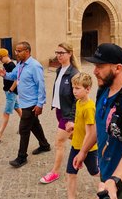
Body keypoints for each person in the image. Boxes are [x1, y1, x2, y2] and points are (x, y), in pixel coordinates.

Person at [74, 43, 122, 199]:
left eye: (100, 66)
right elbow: (98, 127)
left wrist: (114, 181)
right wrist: (83, 151)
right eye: (95, 65)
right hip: (106, 167)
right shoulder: (103, 90)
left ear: (118, 68)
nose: (94, 71)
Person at [0, 41, 50, 168]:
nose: (16, 53)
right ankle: (44, 145)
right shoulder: (20, 64)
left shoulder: (35, 66)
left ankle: (22, 157)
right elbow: (13, 76)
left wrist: (40, 104)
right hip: (24, 101)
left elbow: (41, 86)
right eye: (16, 51)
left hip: (31, 103)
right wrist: (4, 75)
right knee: (35, 125)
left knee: (24, 129)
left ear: (27, 51)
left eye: (19, 51)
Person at [40, 42, 80, 184]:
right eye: (57, 53)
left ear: (69, 53)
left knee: (59, 142)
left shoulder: (74, 73)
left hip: (68, 114)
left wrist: (71, 118)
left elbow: (77, 99)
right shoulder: (59, 70)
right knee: (77, 139)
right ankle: (93, 153)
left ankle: (55, 172)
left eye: (61, 53)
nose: (58, 56)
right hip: (59, 110)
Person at [66, 72, 99, 199]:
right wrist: (74, 127)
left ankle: (109, 184)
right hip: (76, 145)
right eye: (73, 88)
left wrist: (82, 152)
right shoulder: (79, 102)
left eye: (78, 88)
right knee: (71, 173)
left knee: (95, 172)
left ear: (88, 89)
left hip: (88, 149)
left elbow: (90, 133)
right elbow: (82, 124)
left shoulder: (89, 108)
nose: (74, 91)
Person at [0, 48, 22, 143]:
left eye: (0, 58)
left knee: (6, 113)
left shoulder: (12, 65)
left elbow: (16, 79)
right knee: (18, 109)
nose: (0, 61)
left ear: (5, 56)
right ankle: (26, 126)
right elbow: (7, 75)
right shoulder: (5, 64)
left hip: (11, 92)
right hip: (8, 91)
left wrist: (11, 90)